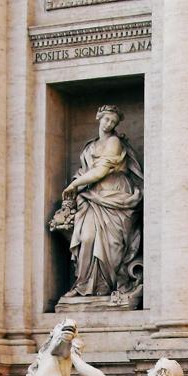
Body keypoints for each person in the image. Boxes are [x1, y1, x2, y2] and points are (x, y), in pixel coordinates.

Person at [60, 105, 144, 298]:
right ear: (99, 117)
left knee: (112, 247)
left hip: (115, 195)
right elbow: (85, 171)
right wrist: (77, 183)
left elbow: (100, 172)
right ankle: (83, 285)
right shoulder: (90, 146)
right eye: (107, 119)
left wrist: (74, 186)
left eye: (113, 122)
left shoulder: (114, 142)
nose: (109, 124)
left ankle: (106, 288)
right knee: (87, 238)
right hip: (92, 197)